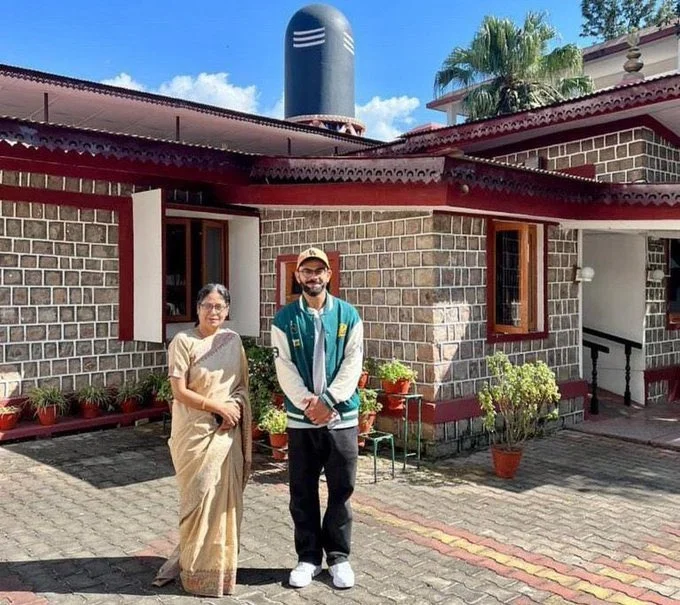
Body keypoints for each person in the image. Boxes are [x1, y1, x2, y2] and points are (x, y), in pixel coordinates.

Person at [272, 247, 363, 589]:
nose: (313, 276)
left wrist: (328, 400)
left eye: (318, 271)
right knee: (302, 490)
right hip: (301, 419)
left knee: (341, 489)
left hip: (341, 417)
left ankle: (339, 557)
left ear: (328, 275)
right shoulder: (284, 320)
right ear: (298, 277)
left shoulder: (349, 315)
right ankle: (308, 558)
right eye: (306, 271)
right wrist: (310, 404)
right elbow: (285, 367)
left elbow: (353, 364)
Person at [153, 283, 252, 597]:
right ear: (197, 308)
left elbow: (241, 388)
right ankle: (194, 572)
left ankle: (219, 572)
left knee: (224, 505)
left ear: (227, 311)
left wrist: (233, 407)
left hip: (226, 433)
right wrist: (217, 407)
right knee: (197, 501)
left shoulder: (233, 341)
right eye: (207, 305)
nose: (213, 312)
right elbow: (179, 392)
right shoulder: (183, 342)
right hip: (194, 435)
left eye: (220, 307)